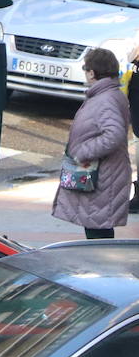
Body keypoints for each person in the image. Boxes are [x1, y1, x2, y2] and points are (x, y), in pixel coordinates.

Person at [53, 48, 132, 239]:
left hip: (103, 176)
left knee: (98, 231)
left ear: (92, 72)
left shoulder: (105, 99)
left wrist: (83, 152)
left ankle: (103, 268)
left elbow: (114, 134)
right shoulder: (107, 94)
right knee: (97, 227)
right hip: (104, 175)